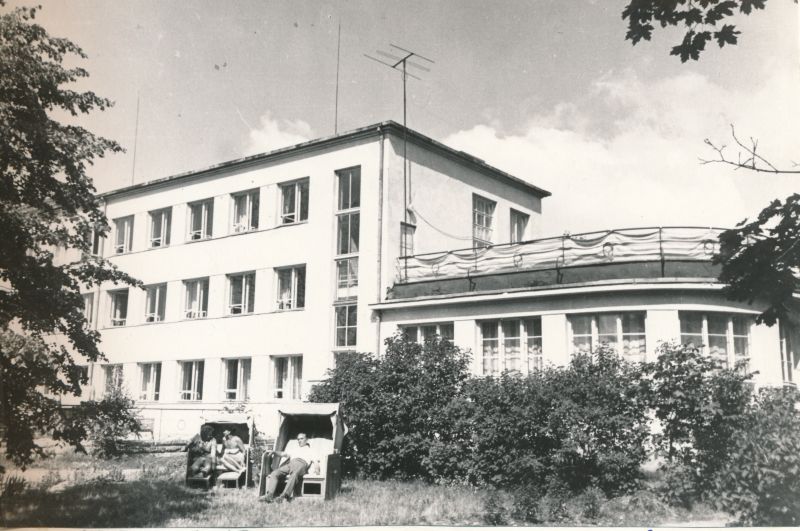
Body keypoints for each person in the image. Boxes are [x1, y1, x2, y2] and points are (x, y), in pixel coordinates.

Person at [261, 432, 317, 502]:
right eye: (298, 439)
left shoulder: (310, 450)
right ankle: (269, 495)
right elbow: (284, 454)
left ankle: (284, 496)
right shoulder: (295, 449)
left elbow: (316, 462)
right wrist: (274, 452)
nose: (299, 440)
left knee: (294, 475)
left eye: (302, 439)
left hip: (301, 464)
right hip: (291, 463)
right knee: (274, 473)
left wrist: (316, 470)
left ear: (307, 439)